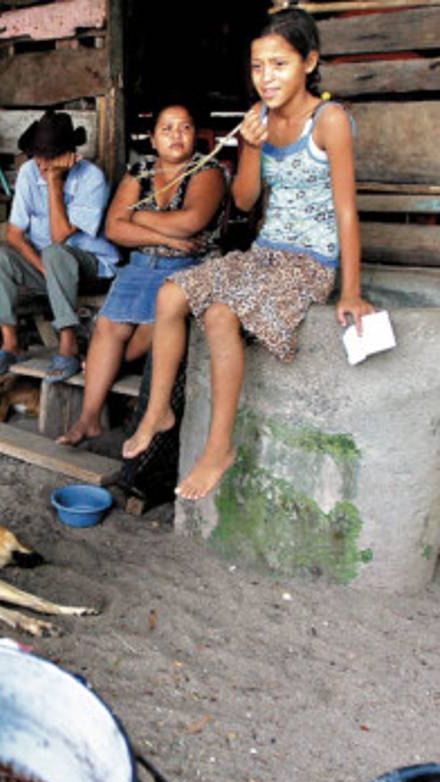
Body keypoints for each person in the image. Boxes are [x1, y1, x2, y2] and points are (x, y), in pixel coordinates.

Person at [121, 9, 375, 500]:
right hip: (265, 254)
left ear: (309, 62)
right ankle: (158, 411)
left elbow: (347, 211)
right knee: (171, 294)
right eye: (258, 66)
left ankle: (218, 448)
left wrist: (351, 290)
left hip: (310, 262)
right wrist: (251, 147)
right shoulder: (258, 117)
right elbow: (243, 200)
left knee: (220, 314)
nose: (266, 77)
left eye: (279, 64)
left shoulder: (330, 120)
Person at [56, 102, 228, 447]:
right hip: (140, 266)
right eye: (167, 129)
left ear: (195, 134)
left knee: (150, 331)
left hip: (188, 266)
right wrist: (167, 238)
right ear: (152, 139)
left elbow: (191, 222)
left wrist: (136, 216)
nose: (176, 135)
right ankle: (89, 419)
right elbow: (114, 229)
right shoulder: (140, 171)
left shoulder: (207, 170)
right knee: (108, 328)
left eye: (185, 127)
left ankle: (114, 374)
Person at [0, 111, 118, 381]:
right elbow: (14, 235)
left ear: (70, 154)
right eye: (37, 154)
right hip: (49, 266)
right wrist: (45, 270)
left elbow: (59, 236)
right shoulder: (29, 172)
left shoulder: (91, 178)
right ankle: (10, 344)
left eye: (50, 156)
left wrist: (54, 181)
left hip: (90, 269)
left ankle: (68, 345)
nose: (42, 163)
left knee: (56, 252)